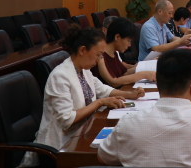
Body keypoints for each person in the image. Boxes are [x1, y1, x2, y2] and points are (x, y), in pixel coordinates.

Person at [20, 26, 144, 166]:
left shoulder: (83, 70)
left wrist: (129, 94)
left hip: (82, 132)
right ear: (83, 50)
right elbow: (67, 119)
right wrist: (99, 102)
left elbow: (102, 89)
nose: (99, 59)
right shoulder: (60, 76)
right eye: (98, 55)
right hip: (61, 145)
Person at [93, 17, 157, 87]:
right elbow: (113, 82)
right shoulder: (100, 56)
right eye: (128, 40)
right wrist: (143, 75)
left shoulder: (114, 53)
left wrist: (143, 66)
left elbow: (124, 75)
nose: (129, 45)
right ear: (117, 37)